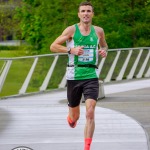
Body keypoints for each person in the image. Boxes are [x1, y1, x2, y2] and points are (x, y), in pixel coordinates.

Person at [50, 1, 108, 150]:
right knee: (75, 116)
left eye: (88, 11)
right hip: (74, 76)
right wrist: (71, 50)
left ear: (92, 14)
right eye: (83, 11)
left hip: (91, 75)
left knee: (90, 111)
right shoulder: (71, 30)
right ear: (79, 14)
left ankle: (87, 147)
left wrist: (103, 51)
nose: (86, 14)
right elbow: (53, 46)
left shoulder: (99, 31)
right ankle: (71, 119)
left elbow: (104, 45)